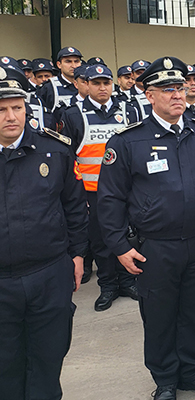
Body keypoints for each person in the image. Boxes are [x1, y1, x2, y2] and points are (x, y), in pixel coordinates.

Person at [97, 57, 195, 400]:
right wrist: (119, 246)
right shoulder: (127, 142)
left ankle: (192, 370)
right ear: (149, 94)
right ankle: (165, 379)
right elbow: (110, 199)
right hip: (156, 247)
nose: (179, 94)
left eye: (181, 87)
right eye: (168, 89)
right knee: (159, 316)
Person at [0, 65, 89, 400]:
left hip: (49, 274)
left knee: (48, 358)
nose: (11, 117)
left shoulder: (54, 150)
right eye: (2, 109)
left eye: (17, 107)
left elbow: (74, 206)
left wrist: (78, 254)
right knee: (5, 365)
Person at [58, 64, 141, 311]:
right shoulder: (73, 115)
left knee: (127, 236)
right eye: (96, 83)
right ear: (86, 85)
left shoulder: (128, 110)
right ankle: (108, 286)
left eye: (106, 83)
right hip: (93, 194)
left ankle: (128, 281)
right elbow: (69, 158)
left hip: (126, 190)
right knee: (101, 242)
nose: (102, 88)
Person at [36, 46, 82, 113]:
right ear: (59, 64)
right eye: (68, 62)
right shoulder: (49, 87)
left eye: (76, 61)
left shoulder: (89, 85)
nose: (73, 66)